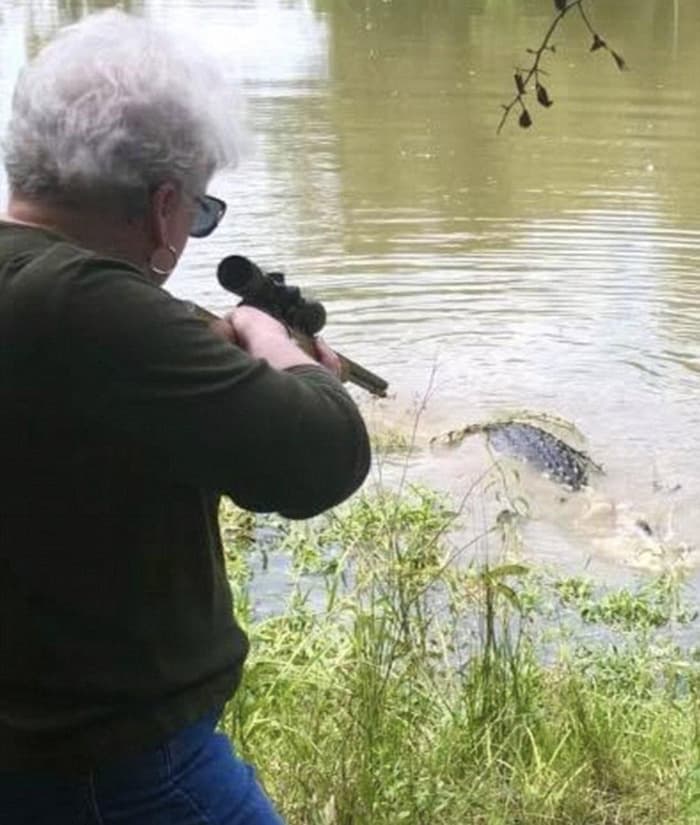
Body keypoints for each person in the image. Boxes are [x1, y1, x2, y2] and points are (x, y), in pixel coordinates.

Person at [0, 10, 370, 825]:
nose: (188, 234)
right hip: (113, 768)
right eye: (200, 210)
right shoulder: (82, 303)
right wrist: (275, 340)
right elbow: (323, 453)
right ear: (164, 206)